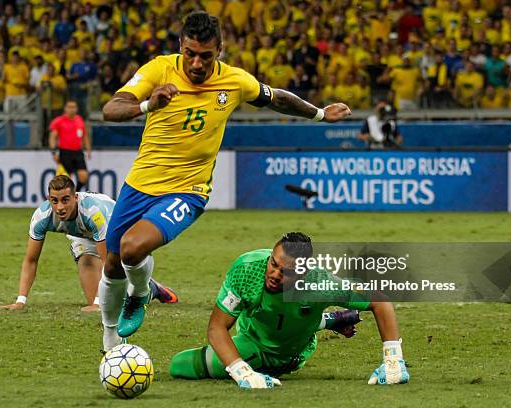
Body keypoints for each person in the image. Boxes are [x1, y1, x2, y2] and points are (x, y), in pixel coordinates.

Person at [100, 11, 351, 347]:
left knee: (132, 249)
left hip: (188, 191)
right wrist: (147, 105)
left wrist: (320, 114)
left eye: (205, 56)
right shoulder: (158, 69)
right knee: (113, 263)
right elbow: (111, 108)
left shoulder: (234, 81)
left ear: (218, 50)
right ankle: (110, 339)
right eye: (190, 54)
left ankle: (141, 293)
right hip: (139, 184)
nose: (197, 64)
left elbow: (275, 97)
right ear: (180, 47)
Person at [169, 232, 409, 388]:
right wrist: (242, 372)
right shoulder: (247, 269)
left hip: (292, 353)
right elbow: (216, 327)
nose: (274, 274)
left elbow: (380, 300)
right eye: (274, 264)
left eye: (287, 272)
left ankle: (320, 320)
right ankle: (326, 320)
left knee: (293, 313)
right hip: (254, 339)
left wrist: (394, 360)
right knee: (178, 365)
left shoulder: (320, 284)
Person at [0, 176, 177, 344]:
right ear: (48, 199)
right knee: (88, 265)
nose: (60, 207)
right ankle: (148, 286)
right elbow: (31, 260)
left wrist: (100, 302)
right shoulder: (41, 216)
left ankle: (148, 287)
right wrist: (20, 301)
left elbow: (108, 265)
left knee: (116, 277)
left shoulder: (93, 213)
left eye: (65, 200)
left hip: (114, 226)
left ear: (75, 198)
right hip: (82, 234)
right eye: (54, 201)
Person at [49, 101, 91, 192]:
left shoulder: (79, 120)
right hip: (65, 152)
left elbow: (85, 135)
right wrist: (53, 152)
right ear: (65, 109)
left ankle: (76, 192)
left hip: (78, 151)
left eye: (74, 107)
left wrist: (88, 149)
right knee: (67, 178)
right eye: (69, 107)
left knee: (83, 176)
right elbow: (53, 137)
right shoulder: (59, 121)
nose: (72, 109)